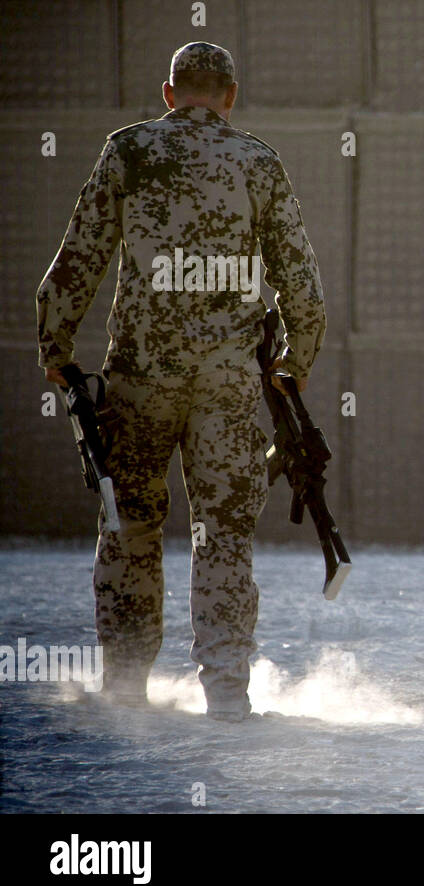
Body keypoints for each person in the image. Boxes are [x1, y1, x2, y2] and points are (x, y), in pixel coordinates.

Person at [36, 42, 327, 721]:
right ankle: (226, 689)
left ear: (171, 94)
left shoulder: (128, 151)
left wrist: (56, 346)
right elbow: (303, 288)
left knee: (129, 526)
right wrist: (292, 364)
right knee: (222, 531)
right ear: (229, 96)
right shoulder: (259, 162)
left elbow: (78, 257)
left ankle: (125, 689)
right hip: (226, 387)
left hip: (140, 378)